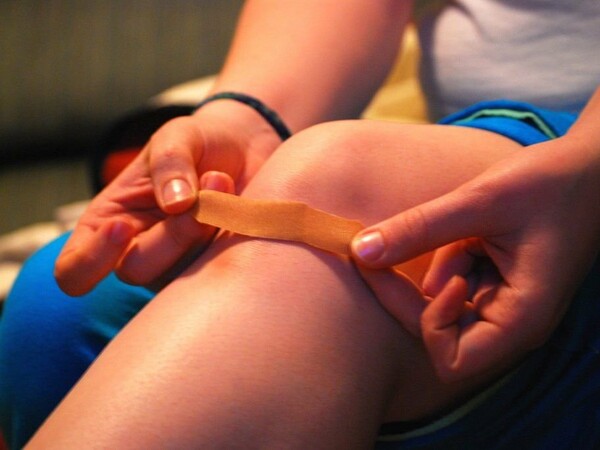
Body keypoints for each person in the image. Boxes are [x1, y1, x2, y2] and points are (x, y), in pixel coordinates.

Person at [1, 0, 599, 448]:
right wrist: (250, 117)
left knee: (335, 192)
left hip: (572, 145)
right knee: (55, 313)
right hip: (467, 139)